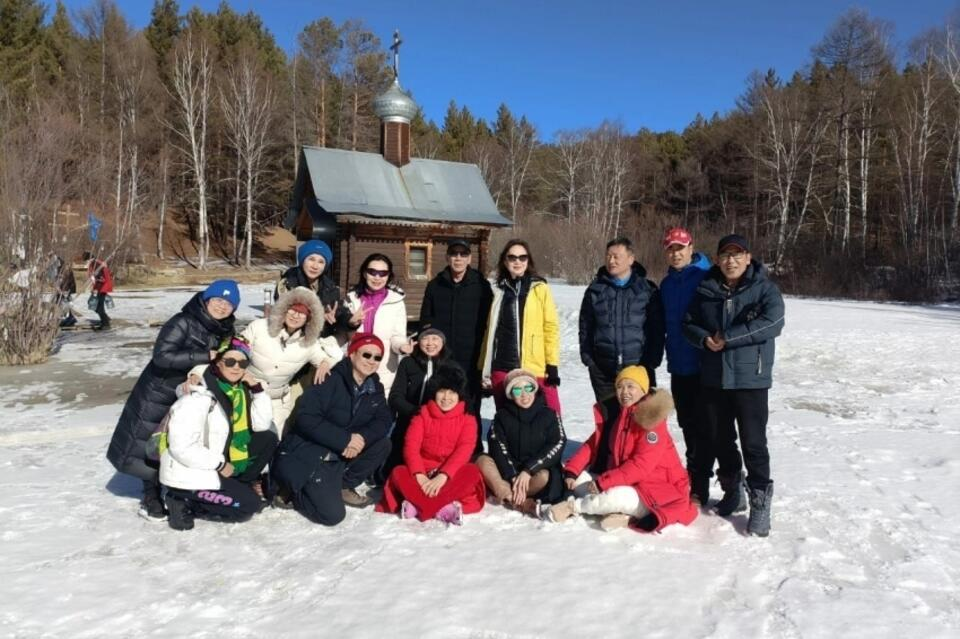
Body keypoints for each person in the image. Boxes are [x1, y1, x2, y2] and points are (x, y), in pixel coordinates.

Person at [107, 279, 240, 521]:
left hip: (192, 393)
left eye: (228, 304)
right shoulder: (183, 321)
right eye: (218, 300)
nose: (222, 307)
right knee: (149, 443)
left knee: (177, 441)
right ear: (206, 299)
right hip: (160, 391)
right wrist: (204, 356)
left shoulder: (225, 330)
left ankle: (176, 486)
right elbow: (161, 355)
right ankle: (151, 495)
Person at [683, 234, 785, 537]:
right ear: (717, 259)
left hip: (750, 379)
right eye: (725, 255)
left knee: (754, 443)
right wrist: (703, 338)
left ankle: (760, 504)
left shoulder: (764, 289)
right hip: (714, 378)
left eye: (737, 255)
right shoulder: (705, 289)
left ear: (748, 257)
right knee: (719, 439)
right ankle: (732, 490)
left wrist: (729, 337)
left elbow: (773, 322)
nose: (731, 260)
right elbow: (688, 323)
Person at [545, 366, 698, 533]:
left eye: (630, 386)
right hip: (626, 481)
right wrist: (572, 471)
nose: (624, 392)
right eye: (620, 387)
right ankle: (620, 513)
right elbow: (592, 444)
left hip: (657, 490)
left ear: (643, 389)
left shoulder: (652, 422)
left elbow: (640, 466)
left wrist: (603, 483)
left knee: (612, 496)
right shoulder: (619, 414)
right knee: (579, 480)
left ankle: (573, 507)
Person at [272, 332, 393, 526]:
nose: (372, 361)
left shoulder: (374, 385)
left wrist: (361, 437)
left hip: (341, 451)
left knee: (382, 443)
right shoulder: (330, 379)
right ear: (352, 354)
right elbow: (306, 418)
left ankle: (344, 485)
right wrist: (344, 439)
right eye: (366, 355)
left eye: (377, 357)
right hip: (313, 450)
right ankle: (294, 489)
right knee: (332, 515)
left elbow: (384, 418)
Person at [160, 336, 278, 531]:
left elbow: (261, 425)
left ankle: (241, 484)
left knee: (268, 438)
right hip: (196, 466)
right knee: (247, 507)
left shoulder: (239, 390)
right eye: (230, 361)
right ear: (217, 362)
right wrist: (219, 464)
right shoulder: (198, 396)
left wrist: (256, 390)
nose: (236, 367)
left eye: (242, 362)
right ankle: (182, 498)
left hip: (220, 456)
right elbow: (182, 447)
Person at [377, 364, 486, 525]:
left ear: (459, 394)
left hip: (450, 474)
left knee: (471, 472)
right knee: (399, 472)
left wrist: (443, 475)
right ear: (434, 392)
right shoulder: (423, 413)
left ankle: (420, 506)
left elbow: (464, 450)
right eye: (442, 391)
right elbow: (411, 447)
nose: (446, 397)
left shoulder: (467, 418)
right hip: (423, 473)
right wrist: (419, 475)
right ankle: (441, 508)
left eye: (452, 392)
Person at [659, 227, 716, 505]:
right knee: (687, 425)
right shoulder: (667, 284)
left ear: (691, 247)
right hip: (678, 366)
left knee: (706, 428)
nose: (676, 253)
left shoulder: (707, 276)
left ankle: (702, 484)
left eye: (680, 247)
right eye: (670, 248)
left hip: (704, 366)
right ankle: (694, 477)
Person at [237, 287, 343, 436]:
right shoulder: (259, 327)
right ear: (283, 310)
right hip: (246, 395)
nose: (295, 316)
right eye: (292, 310)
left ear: (309, 318)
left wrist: (325, 363)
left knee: (274, 443)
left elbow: (328, 359)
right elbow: (235, 350)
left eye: (302, 313)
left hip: (278, 403)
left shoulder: (308, 343)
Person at [419, 239, 493, 448]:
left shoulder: (481, 286)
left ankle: (473, 450)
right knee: (441, 403)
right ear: (447, 257)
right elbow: (426, 320)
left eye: (463, 254)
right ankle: (439, 447)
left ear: (469, 258)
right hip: (443, 358)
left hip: (471, 358)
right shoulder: (435, 285)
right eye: (454, 254)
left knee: (470, 406)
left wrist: (486, 359)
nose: (458, 258)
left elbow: (489, 323)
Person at [479, 239, 561, 415]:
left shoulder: (539, 288)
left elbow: (550, 328)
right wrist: (483, 369)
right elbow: (489, 332)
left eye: (522, 257)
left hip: (535, 366)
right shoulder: (498, 291)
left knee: (550, 414)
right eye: (512, 257)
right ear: (505, 261)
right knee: (507, 418)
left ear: (528, 261)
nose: (517, 261)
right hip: (502, 367)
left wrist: (552, 364)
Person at [579, 237, 664, 403]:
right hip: (603, 370)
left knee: (641, 422)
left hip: (639, 368)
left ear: (631, 259)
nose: (611, 261)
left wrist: (652, 361)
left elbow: (657, 329)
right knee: (609, 422)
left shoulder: (647, 290)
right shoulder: (595, 290)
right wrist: (589, 360)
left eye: (617, 256)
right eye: (608, 256)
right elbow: (585, 326)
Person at [475, 369, 566, 516]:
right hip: (508, 475)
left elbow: (558, 443)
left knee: (545, 476)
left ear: (534, 389)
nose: (524, 395)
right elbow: (497, 447)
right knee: (482, 461)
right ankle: (517, 501)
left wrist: (528, 470)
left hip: (534, 476)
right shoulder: (501, 417)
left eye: (528, 388)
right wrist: (512, 475)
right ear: (511, 395)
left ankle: (508, 496)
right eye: (517, 390)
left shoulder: (549, 414)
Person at [385, 327, 450, 478]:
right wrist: (414, 411)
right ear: (418, 342)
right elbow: (395, 396)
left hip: (438, 423)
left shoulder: (449, 365)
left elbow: (457, 397)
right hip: (410, 418)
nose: (430, 343)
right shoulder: (408, 363)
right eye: (425, 339)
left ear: (443, 342)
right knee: (398, 463)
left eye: (435, 339)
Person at [344, 254, 411, 397]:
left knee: (379, 409)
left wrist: (402, 347)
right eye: (372, 272)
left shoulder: (396, 302)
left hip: (382, 365)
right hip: (354, 364)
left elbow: (397, 336)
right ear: (364, 273)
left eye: (383, 273)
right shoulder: (352, 298)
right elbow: (342, 334)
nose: (377, 277)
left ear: (388, 276)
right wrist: (350, 323)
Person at [274, 239, 352, 340]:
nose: (315, 266)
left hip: (318, 343)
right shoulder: (288, 283)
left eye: (321, 262)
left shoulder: (330, 287)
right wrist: (318, 316)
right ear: (302, 260)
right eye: (311, 259)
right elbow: (285, 312)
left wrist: (350, 320)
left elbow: (338, 312)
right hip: (292, 341)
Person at [83, 251, 113, 330]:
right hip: (100, 287)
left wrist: (96, 284)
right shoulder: (96, 263)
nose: (86, 263)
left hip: (102, 287)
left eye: (86, 260)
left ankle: (106, 324)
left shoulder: (96, 264)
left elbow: (101, 277)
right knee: (94, 305)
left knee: (99, 308)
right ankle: (105, 320)